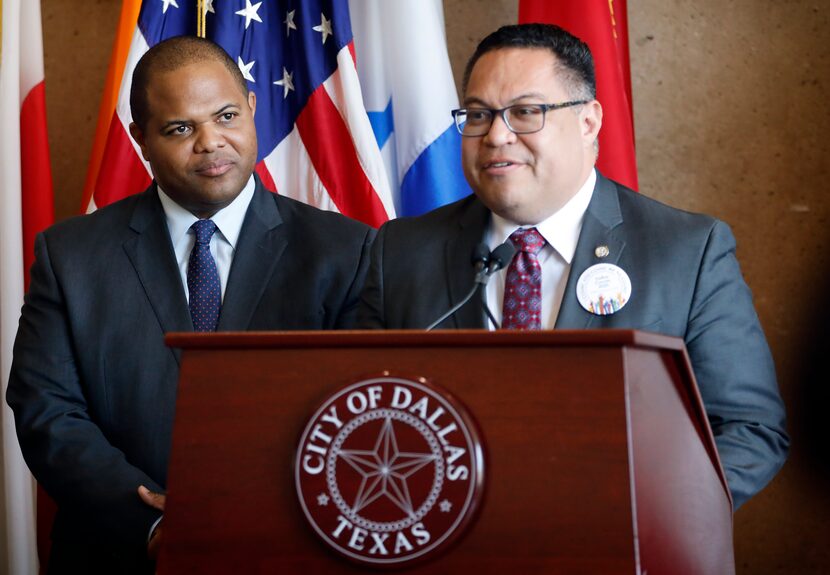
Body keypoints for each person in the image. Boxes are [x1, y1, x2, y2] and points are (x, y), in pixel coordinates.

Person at [358, 24, 788, 510]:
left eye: (525, 112)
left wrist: (640, 513)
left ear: (588, 122)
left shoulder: (687, 251)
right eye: (479, 114)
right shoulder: (401, 252)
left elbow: (749, 430)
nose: (497, 135)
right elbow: (365, 415)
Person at [7, 36, 373, 573]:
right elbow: (48, 413)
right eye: (180, 128)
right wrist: (152, 527)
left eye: (226, 115)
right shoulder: (71, 256)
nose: (210, 142)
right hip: (117, 553)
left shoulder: (347, 251)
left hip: (292, 549)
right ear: (141, 140)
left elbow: (359, 413)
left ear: (251, 107)